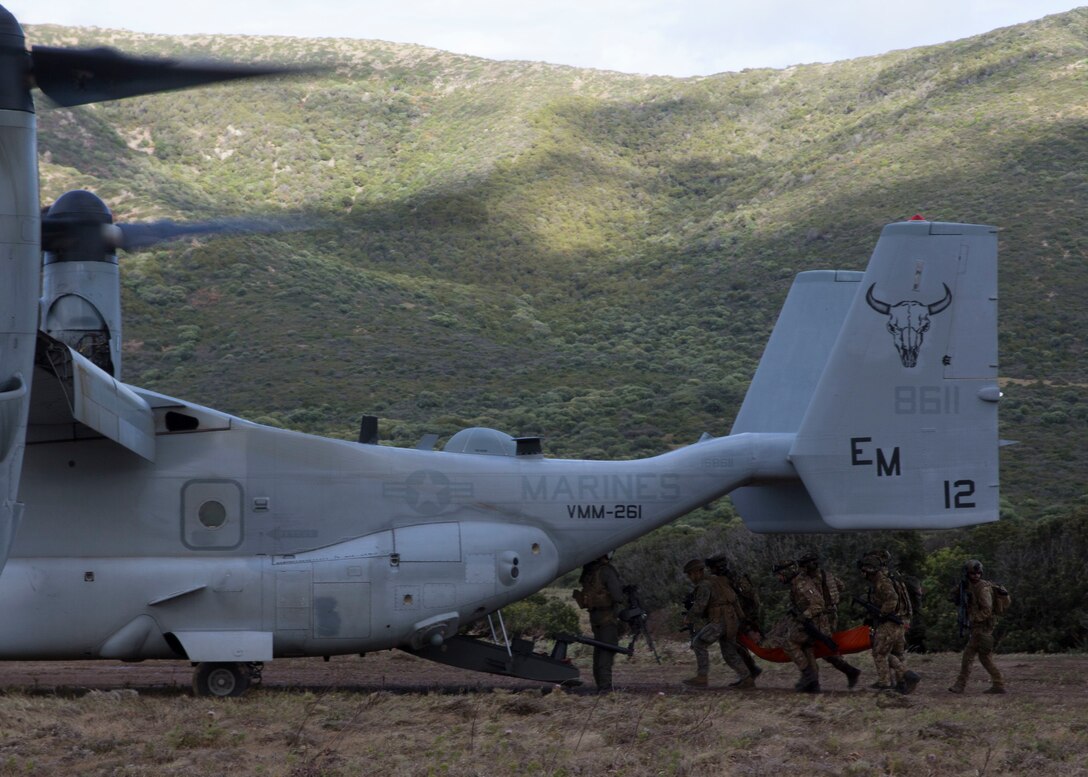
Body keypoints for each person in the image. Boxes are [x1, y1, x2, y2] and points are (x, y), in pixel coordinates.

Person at [681, 558, 754, 689]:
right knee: (729, 652)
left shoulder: (704, 585)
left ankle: (702, 677)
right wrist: (741, 618)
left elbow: (699, 606)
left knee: (698, 643)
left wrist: (689, 617)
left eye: (690, 574)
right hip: (732, 620)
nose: (690, 578)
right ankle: (747, 679)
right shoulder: (720, 580)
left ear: (698, 572)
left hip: (719, 621)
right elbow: (734, 599)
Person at [797, 551, 861, 689]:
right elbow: (841, 586)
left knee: (816, 646)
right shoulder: (828, 575)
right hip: (832, 613)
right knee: (822, 646)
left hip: (822, 616)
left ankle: (813, 681)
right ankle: (849, 671)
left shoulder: (811, 580)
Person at [858, 554, 920, 693]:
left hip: (890, 622)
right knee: (897, 654)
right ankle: (902, 684)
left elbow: (892, 599)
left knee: (879, 652)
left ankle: (888, 682)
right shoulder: (892, 578)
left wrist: (881, 613)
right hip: (900, 621)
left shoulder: (882, 582)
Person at [948, 559, 1008, 694]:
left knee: (968, 655)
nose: (975, 576)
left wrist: (973, 619)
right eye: (972, 574)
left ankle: (960, 684)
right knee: (984, 657)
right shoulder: (968, 585)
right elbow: (953, 596)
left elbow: (987, 610)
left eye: (978, 573)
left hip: (982, 627)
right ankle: (998, 683)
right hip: (979, 627)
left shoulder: (983, 589)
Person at [705, 554, 763, 683]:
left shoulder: (735, 577)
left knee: (734, 645)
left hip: (742, 616)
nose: (710, 571)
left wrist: (750, 617)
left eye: (712, 568)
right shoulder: (721, 579)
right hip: (734, 616)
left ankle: (749, 672)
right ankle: (750, 670)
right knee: (736, 644)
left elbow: (751, 596)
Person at [572, 553, 625, 692]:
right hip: (607, 615)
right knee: (608, 649)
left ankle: (600, 682)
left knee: (599, 648)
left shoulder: (589, 570)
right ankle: (605, 686)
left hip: (595, 616)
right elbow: (617, 596)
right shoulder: (606, 570)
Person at [765, 559, 820, 692]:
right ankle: (813, 684)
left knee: (789, 643)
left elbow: (818, 604)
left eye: (780, 574)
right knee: (806, 648)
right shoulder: (796, 584)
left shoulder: (801, 584)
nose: (779, 578)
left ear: (786, 572)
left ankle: (808, 676)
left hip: (813, 623)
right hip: (809, 623)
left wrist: (803, 616)